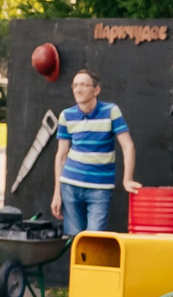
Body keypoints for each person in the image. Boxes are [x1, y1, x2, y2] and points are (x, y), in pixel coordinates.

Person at [56, 68, 139, 235]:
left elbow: (127, 145)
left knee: (95, 239)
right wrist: (57, 194)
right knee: (74, 239)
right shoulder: (66, 115)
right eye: (75, 85)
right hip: (70, 185)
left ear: (96, 90)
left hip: (100, 188)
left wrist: (127, 179)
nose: (78, 89)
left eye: (83, 85)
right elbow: (61, 155)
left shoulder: (111, 111)